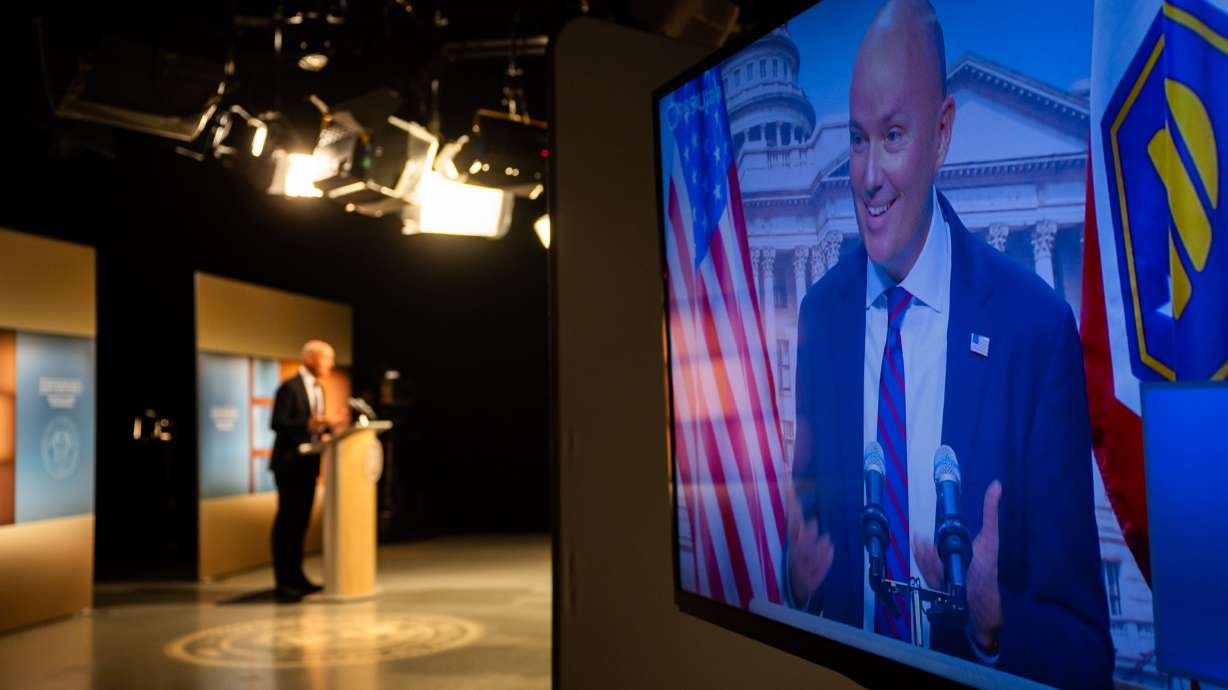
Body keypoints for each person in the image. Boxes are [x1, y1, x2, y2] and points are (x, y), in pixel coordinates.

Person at [784, 2, 1113, 687]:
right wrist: (800, 587)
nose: (868, 176)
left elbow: (1087, 651)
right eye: (856, 138)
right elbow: (815, 539)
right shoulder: (821, 316)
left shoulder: (1038, 329)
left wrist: (996, 625)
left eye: (895, 134)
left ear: (941, 134)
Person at [270, 339, 337, 602]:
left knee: (300, 524)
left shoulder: (319, 389)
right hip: (288, 465)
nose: (330, 365)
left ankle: (297, 578)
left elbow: (316, 426)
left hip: (309, 465)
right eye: (327, 359)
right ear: (310, 359)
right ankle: (284, 582)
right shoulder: (289, 387)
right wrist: (308, 424)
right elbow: (277, 423)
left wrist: (330, 427)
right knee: (287, 522)